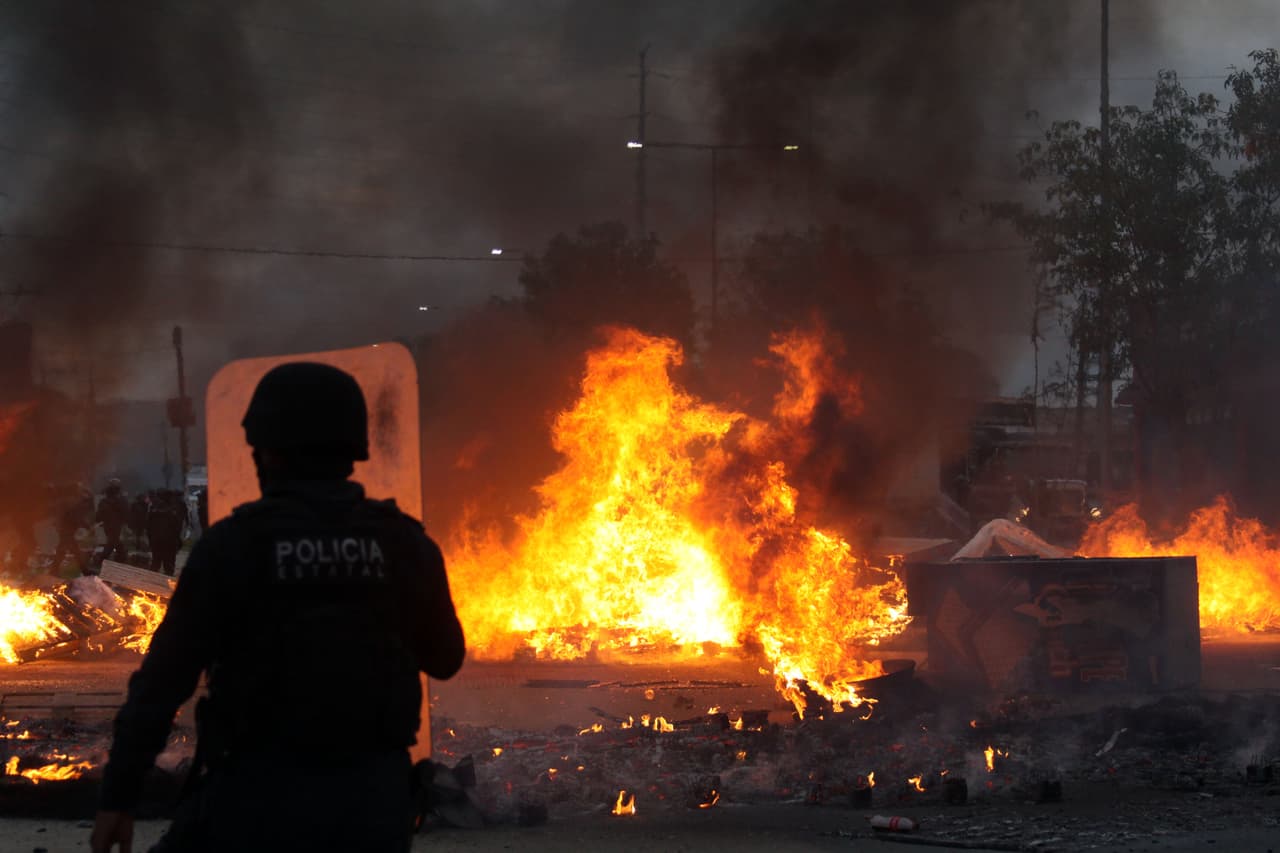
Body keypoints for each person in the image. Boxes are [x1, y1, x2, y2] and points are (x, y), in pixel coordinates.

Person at [91, 362, 466, 853]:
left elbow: (161, 684)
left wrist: (119, 798)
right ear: (353, 449)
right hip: (372, 806)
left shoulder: (233, 545)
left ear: (265, 450)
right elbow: (446, 659)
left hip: (257, 801)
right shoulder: (403, 543)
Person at [145, 490, 185, 576]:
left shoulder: (153, 510)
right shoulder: (173, 510)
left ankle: (150, 584)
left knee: (155, 564)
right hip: (169, 542)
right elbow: (177, 527)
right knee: (169, 566)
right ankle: (166, 586)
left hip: (156, 541)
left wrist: (150, 539)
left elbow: (148, 527)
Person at [95, 479, 130, 564]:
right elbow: (125, 512)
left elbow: (99, 514)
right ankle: (103, 559)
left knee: (114, 541)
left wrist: (98, 520)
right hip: (116, 524)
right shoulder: (121, 500)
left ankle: (122, 557)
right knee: (113, 542)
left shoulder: (104, 501)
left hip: (107, 525)